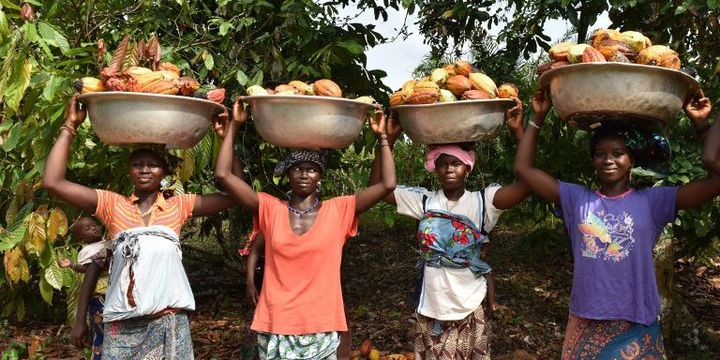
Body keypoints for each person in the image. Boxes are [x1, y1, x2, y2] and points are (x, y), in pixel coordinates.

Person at [514, 88, 720, 359]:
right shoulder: (576, 199)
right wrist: (537, 118)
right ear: (593, 160)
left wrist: (702, 124)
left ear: (631, 159)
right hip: (586, 317)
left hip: (636, 320)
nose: (608, 159)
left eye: (618, 153)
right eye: (600, 153)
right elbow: (524, 169)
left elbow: (716, 180)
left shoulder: (653, 202)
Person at [42, 95, 240, 359]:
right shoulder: (113, 205)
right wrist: (70, 125)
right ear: (129, 172)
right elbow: (53, 181)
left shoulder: (178, 206)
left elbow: (237, 192)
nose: (145, 169)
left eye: (153, 165)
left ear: (164, 173)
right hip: (122, 323)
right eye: (138, 164)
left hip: (168, 321)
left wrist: (225, 137)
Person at [215, 98, 396, 359]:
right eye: (297, 168)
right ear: (288, 174)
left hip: (320, 324)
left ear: (320, 175)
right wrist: (233, 129)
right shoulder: (271, 208)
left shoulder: (339, 210)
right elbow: (224, 176)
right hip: (276, 322)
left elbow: (387, 184)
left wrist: (382, 138)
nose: (304, 174)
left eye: (311, 169)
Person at [368, 98, 531, 360]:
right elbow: (376, 187)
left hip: (469, 305)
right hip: (431, 306)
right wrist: (387, 139)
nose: (449, 169)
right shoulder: (424, 200)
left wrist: (518, 131)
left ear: (467, 166)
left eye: (455, 163)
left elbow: (527, 183)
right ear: (436, 168)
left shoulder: (483, 202)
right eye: (443, 163)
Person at [58, 216, 108, 360]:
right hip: (99, 294)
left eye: (94, 225)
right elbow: (87, 269)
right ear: (81, 238)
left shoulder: (109, 241)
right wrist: (72, 265)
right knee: (100, 329)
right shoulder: (87, 251)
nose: (94, 228)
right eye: (88, 228)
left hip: (113, 290)